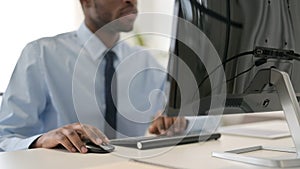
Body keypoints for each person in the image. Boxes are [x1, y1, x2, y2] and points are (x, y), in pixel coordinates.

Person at [0, 0, 188, 153]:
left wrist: (173, 122)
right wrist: (40, 141)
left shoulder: (146, 62)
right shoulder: (41, 54)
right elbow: (4, 138)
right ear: (87, 2)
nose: (130, 1)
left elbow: (179, 116)